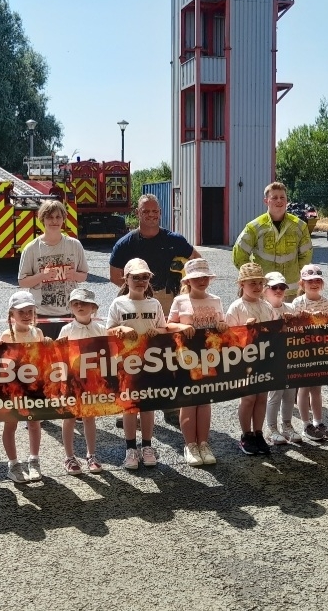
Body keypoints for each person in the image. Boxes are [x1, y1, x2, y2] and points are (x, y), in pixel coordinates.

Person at [109, 194, 199, 427]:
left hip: (168, 300)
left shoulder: (174, 239)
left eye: (155, 211)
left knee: (168, 355)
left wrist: (185, 287)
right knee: (132, 357)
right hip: (135, 301)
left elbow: (196, 262)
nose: (151, 215)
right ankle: (132, 409)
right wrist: (134, 292)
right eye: (146, 211)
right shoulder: (126, 243)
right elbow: (113, 274)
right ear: (137, 213)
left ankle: (171, 407)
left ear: (160, 213)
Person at [106, 258, 168, 469]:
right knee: (130, 407)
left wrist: (156, 331)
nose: (140, 281)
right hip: (126, 364)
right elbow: (108, 331)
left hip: (150, 363)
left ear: (149, 279)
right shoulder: (118, 303)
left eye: (145, 277)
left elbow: (163, 329)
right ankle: (131, 448)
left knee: (148, 406)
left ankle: (147, 446)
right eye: (136, 277)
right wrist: (120, 330)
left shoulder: (154, 303)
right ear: (126, 279)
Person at [166, 258, 228, 466]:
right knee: (189, 402)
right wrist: (181, 328)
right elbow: (168, 325)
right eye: (196, 278)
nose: (202, 281)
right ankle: (190, 444)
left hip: (210, 357)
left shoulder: (216, 300)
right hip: (186, 357)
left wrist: (221, 324)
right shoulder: (180, 301)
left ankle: (203, 443)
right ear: (188, 281)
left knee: (205, 401)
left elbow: (223, 324)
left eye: (205, 277)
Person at [17, 200, 88, 340]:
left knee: (68, 360)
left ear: (63, 219)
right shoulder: (31, 248)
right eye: (50, 217)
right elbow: (22, 282)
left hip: (69, 314)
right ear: (42, 219)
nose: (54, 221)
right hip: (41, 317)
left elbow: (84, 275)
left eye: (58, 217)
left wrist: (74, 275)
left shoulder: (74, 245)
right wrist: (42, 276)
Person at [233, 181, 313, 301]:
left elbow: (306, 256)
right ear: (266, 201)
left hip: (290, 292)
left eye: (282, 197)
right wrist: (253, 279)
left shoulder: (299, 226)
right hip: (264, 291)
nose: (279, 201)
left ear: (287, 200)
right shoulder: (254, 227)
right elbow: (239, 256)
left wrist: (297, 275)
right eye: (274, 197)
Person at [0, 290, 50, 483]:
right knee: (10, 425)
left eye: (30, 311)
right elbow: (2, 364)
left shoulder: (38, 333)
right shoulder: (5, 336)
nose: (26, 315)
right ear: (12, 314)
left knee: (34, 424)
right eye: (21, 312)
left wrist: (49, 345)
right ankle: (13, 463)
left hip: (33, 387)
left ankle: (34, 459)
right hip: (13, 389)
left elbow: (43, 359)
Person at [58, 288, 108, 474]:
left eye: (84, 303)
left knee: (89, 417)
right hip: (72, 381)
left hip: (92, 381)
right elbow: (58, 356)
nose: (80, 306)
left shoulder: (101, 330)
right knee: (69, 417)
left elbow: (110, 354)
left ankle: (91, 454)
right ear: (71, 307)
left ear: (93, 308)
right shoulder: (66, 330)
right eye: (76, 303)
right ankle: (69, 457)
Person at [225, 263, 274, 456]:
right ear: (242, 285)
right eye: (252, 283)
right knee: (248, 399)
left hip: (264, 359)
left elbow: (274, 333)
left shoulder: (267, 306)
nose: (257, 287)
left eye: (260, 283)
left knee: (261, 397)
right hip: (244, 361)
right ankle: (246, 434)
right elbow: (228, 338)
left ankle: (258, 432)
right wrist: (245, 329)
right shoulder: (236, 307)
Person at [292, 264, 328, 441]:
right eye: (310, 281)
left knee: (317, 389)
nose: (314, 284)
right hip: (303, 353)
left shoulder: (327, 303)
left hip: (320, 353)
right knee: (303, 389)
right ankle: (306, 425)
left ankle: (318, 422)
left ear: (322, 283)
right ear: (302, 283)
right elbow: (293, 329)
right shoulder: (297, 303)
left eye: (318, 280)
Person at [263, 271, 300, 445]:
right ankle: (271, 428)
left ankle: (287, 425)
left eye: (282, 287)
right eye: (274, 287)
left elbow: (300, 332)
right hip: (271, 359)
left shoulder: (290, 308)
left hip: (290, 357)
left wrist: (297, 322)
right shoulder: (263, 308)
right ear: (265, 289)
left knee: (290, 393)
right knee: (275, 394)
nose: (278, 290)